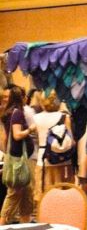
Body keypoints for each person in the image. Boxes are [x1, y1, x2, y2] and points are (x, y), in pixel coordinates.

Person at [0, 85, 35, 225]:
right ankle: (2, 224)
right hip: (18, 160)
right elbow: (17, 135)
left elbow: (5, 138)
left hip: (18, 158)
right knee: (14, 194)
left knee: (26, 196)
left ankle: (25, 224)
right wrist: (30, 129)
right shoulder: (17, 113)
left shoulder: (8, 113)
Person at [33, 89, 74, 202]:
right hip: (64, 161)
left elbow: (37, 137)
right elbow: (71, 141)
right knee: (65, 197)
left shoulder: (36, 118)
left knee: (46, 198)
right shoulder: (64, 117)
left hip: (44, 160)